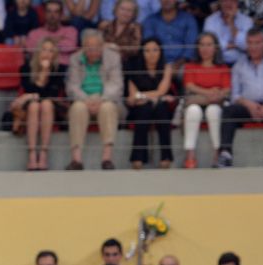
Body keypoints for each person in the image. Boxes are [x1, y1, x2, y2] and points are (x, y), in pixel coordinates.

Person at [217, 29, 263, 168]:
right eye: (250, 43)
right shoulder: (239, 64)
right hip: (247, 105)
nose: (253, 47)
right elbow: (235, 94)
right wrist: (248, 104)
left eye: (257, 43)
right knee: (228, 111)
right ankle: (225, 154)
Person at [65, 28, 123, 171]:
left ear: (102, 46)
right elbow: (72, 86)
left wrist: (101, 99)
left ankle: (107, 158)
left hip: (106, 99)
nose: (93, 51)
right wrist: (87, 100)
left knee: (107, 107)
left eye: (97, 47)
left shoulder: (113, 57)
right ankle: (76, 159)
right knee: (77, 108)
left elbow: (116, 85)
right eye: (89, 48)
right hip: (84, 100)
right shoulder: (75, 58)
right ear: (83, 47)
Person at [15, 37, 65, 171]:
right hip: (30, 107)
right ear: (38, 51)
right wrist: (41, 75)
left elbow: (51, 93)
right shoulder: (26, 67)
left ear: (55, 54)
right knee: (34, 106)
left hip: (51, 107)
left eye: (51, 51)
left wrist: (44, 73)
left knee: (46, 104)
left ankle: (43, 153)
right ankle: (32, 154)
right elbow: (29, 89)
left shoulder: (59, 70)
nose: (47, 53)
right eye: (44, 49)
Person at [181, 31, 229, 169]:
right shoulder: (190, 66)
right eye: (201, 45)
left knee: (213, 111)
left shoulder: (223, 68)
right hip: (197, 101)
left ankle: (216, 154)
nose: (205, 49)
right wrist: (210, 93)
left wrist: (216, 95)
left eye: (209, 45)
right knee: (193, 111)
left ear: (215, 48)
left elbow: (226, 89)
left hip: (216, 102)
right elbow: (189, 85)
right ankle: (190, 155)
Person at [124, 37, 173, 169]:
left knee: (162, 108)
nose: (152, 54)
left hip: (159, 105)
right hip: (139, 107)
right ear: (142, 53)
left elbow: (162, 90)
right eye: (147, 51)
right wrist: (151, 97)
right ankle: (138, 158)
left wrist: (143, 95)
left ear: (161, 51)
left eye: (155, 50)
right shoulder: (133, 67)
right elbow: (133, 95)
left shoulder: (166, 67)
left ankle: (166, 156)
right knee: (145, 108)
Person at [139, 0, 196, 67]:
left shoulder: (188, 20)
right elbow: (148, 45)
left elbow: (191, 46)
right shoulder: (150, 21)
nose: (167, 1)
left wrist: (177, 65)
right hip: (156, 65)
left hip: (183, 64)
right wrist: (163, 67)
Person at [25, 0, 77, 65]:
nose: (52, 15)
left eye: (56, 12)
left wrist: (43, 42)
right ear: (44, 14)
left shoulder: (70, 31)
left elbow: (70, 46)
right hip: (40, 68)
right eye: (49, 11)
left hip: (63, 69)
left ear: (61, 14)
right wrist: (56, 40)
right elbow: (30, 48)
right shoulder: (34, 33)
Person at [202, 0, 251, 66]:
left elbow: (247, 46)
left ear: (237, 3)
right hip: (217, 63)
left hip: (242, 64)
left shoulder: (246, 20)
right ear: (220, 2)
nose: (228, 3)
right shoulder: (210, 20)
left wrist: (231, 23)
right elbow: (210, 45)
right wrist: (234, 45)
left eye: (232, 1)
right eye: (225, 0)